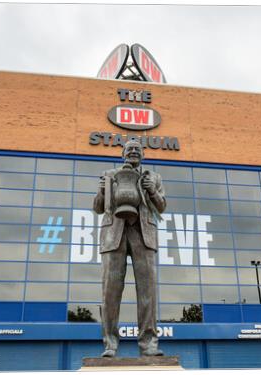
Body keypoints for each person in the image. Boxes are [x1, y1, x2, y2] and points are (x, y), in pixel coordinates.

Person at [93, 140, 166, 357]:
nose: (133, 152)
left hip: (144, 234)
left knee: (148, 291)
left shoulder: (154, 177)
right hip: (113, 233)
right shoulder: (109, 174)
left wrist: (152, 191)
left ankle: (148, 344)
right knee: (110, 291)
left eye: (137, 149)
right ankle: (110, 343)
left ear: (143, 154)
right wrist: (102, 191)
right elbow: (97, 207)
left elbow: (161, 206)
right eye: (129, 149)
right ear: (122, 153)